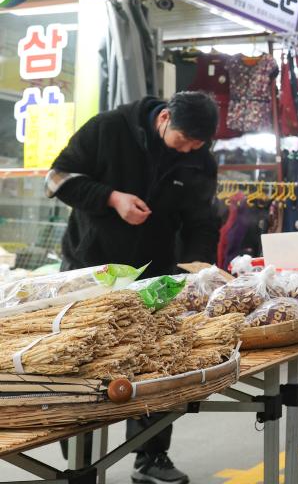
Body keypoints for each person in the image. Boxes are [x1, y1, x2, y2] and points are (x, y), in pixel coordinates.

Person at [46, 91, 221, 484]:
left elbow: (202, 220)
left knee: (157, 362)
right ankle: (80, 463)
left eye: (198, 144)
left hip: (156, 276)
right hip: (89, 272)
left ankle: (151, 458)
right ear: (164, 119)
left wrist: (196, 269)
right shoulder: (109, 128)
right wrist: (110, 198)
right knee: (83, 364)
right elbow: (57, 178)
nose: (190, 149)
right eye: (184, 140)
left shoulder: (198, 159)